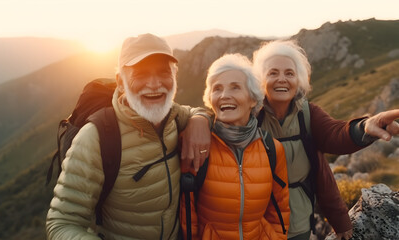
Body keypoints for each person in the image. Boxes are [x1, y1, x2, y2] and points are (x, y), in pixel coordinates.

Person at [46, 33, 211, 240]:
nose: (154, 83)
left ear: (174, 77)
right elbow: (62, 223)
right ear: (121, 83)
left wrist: (201, 121)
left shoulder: (175, 116)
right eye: (140, 74)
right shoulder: (97, 138)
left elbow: (198, 111)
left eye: (163, 73)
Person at [252, 40, 399, 240]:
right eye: (272, 73)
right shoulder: (248, 116)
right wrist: (198, 119)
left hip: (297, 222)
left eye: (289, 73)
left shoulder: (308, 114)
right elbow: (217, 117)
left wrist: (365, 127)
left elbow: (336, 134)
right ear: (259, 80)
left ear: (299, 80)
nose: (281, 79)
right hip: (254, 222)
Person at [180, 53, 290, 239]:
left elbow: (280, 212)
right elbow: (187, 217)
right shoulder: (198, 145)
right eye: (217, 89)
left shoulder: (272, 149)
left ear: (253, 99)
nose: (224, 96)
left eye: (235, 87)